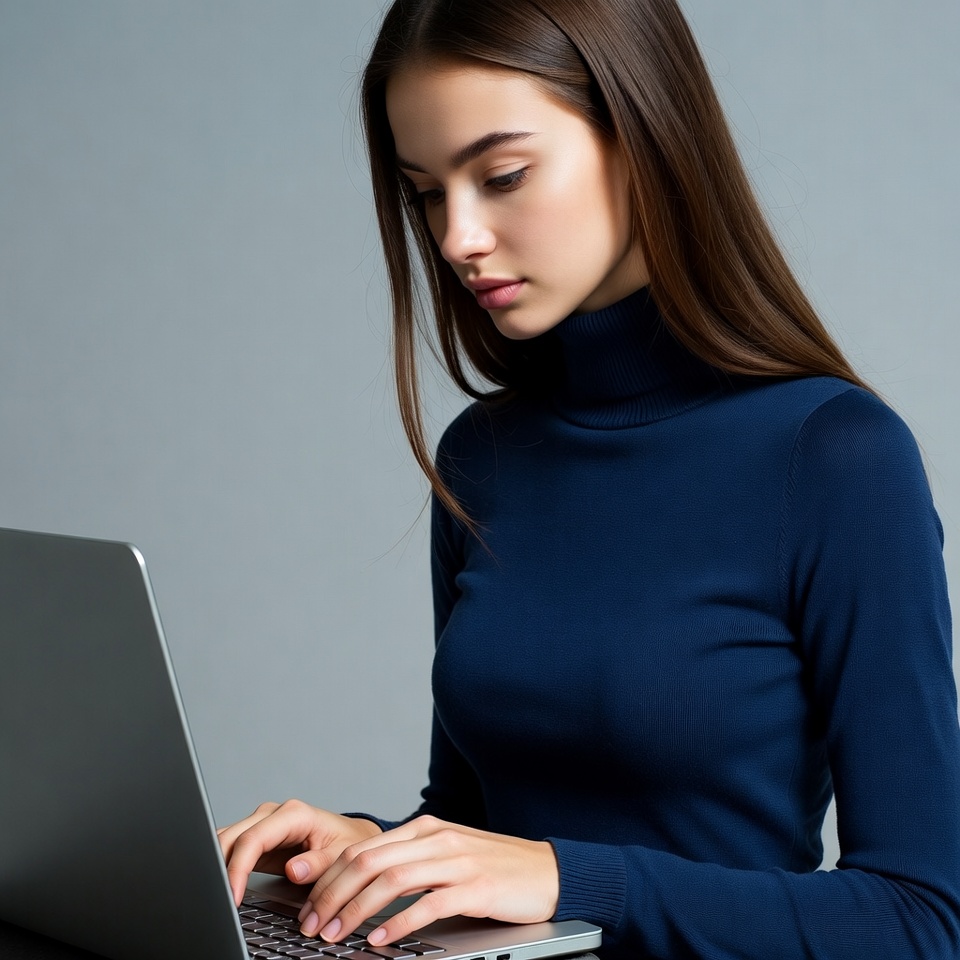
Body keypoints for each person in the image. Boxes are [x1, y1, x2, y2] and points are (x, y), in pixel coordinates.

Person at [217, 1, 960, 956]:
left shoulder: (834, 456)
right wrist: (368, 847)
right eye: (427, 194)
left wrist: (577, 880)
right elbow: (478, 831)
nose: (457, 238)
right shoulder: (483, 454)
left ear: (644, 137)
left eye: (503, 177)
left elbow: (920, 917)